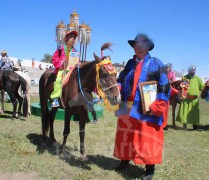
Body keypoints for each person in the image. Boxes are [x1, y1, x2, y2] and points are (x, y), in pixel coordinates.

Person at [113, 33, 170, 180]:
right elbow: (121, 79)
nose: (140, 48)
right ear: (134, 48)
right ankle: (124, 161)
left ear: (148, 47)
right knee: (125, 135)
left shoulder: (157, 63)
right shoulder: (130, 64)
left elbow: (164, 85)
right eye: (137, 46)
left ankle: (149, 169)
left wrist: (158, 105)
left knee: (147, 138)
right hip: (128, 107)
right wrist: (117, 87)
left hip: (147, 108)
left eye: (143, 46)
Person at [50, 30, 78, 107]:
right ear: (66, 38)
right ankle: (55, 98)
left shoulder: (75, 51)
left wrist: (78, 64)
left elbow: (77, 61)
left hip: (73, 70)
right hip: (62, 70)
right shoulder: (60, 49)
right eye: (71, 37)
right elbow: (54, 59)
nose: (73, 39)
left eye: (74, 38)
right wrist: (62, 63)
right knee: (59, 80)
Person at [176, 65, 204, 130]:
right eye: (192, 70)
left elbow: (201, 87)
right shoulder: (185, 78)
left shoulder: (198, 78)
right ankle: (184, 127)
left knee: (195, 114)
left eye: (194, 70)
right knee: (184, 113)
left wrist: (206, 86)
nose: (193, 71)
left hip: (194, 99)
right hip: (186, 98)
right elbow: (182, 87)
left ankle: (195, 127)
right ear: (189, 70)